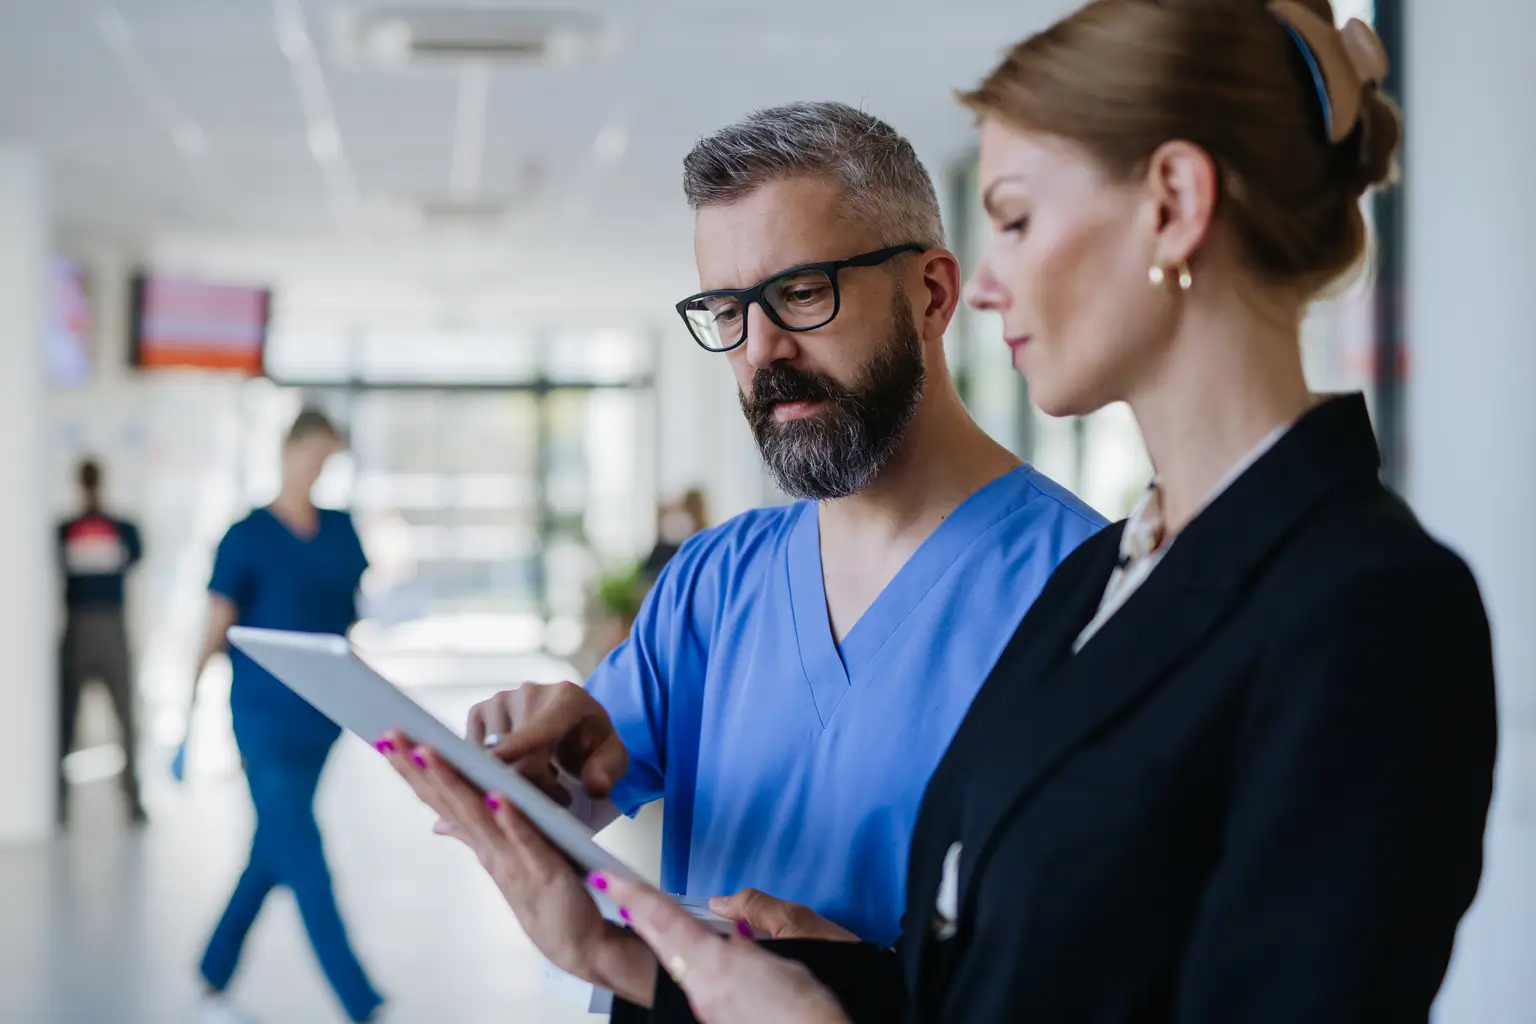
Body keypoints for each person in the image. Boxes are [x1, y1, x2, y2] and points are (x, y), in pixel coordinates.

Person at [385, 2, 1498, 1022]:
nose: (993, 284)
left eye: (1013, 217)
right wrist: (645, 956)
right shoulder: (1117, 582)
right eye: (728, 311)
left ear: (1172, 204)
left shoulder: (1359, 609)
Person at [441, 100, 1106, 951]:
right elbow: (582, 784)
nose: (760, 350)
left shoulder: (1087, 590)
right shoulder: (712, 582)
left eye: (800, 293)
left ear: (933, 294)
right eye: (727, 312)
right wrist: (542, 765)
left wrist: (869, 995)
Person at [192, 409, 385, 1024]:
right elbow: (215, 628)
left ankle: (214, 964)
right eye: (314, 457)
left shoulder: (339, 528)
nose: (320, 471)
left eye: (330, 461)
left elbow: (348, 622)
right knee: (301, 845)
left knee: (274, 840)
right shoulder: (245, 534)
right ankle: (360, 1000)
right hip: (261, 715)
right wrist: (185, 714)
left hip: (320, 717)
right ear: (287, 452)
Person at [57, 457, 147, 826]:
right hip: (79, 628)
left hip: (108, 626)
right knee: (65, 721)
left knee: (125, 719)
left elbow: (137, 556)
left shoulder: (121, 528)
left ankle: (132, 800)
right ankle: (57, 801)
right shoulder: (65, 529)